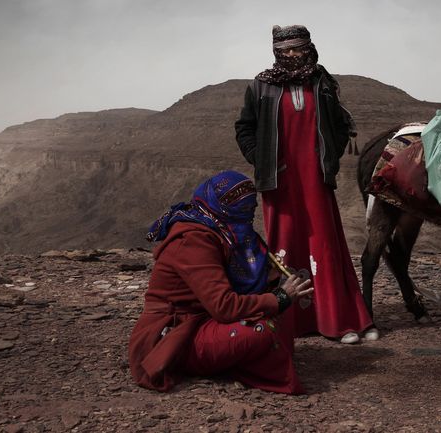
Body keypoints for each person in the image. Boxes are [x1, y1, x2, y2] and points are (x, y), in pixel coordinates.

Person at [234, 24, 376, 344]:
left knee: (324, 245)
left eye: (298, 48)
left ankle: (336, 320)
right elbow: (244, 128)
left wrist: (328, 158)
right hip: (279, 180)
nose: (293, 55)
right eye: (285, 51)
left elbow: (340, 126)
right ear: (276, 52)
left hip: (315, 177)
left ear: (309, 47)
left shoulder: (322, 82)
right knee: (284, 243)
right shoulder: (261, 86)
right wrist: (262, 158)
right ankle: (290, 322)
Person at [128, 170, 313, 394]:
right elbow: (224, 307)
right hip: (178, 331)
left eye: (251, 210)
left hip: (205, 318)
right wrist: (279, 297)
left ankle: (232, 358)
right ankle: (213, 361)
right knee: (261, 327)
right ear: (225, 209)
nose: (248, 216)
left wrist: (273, 281)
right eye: (242, 210)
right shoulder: (195, 239)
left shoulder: (223, 230)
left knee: (281, 307)